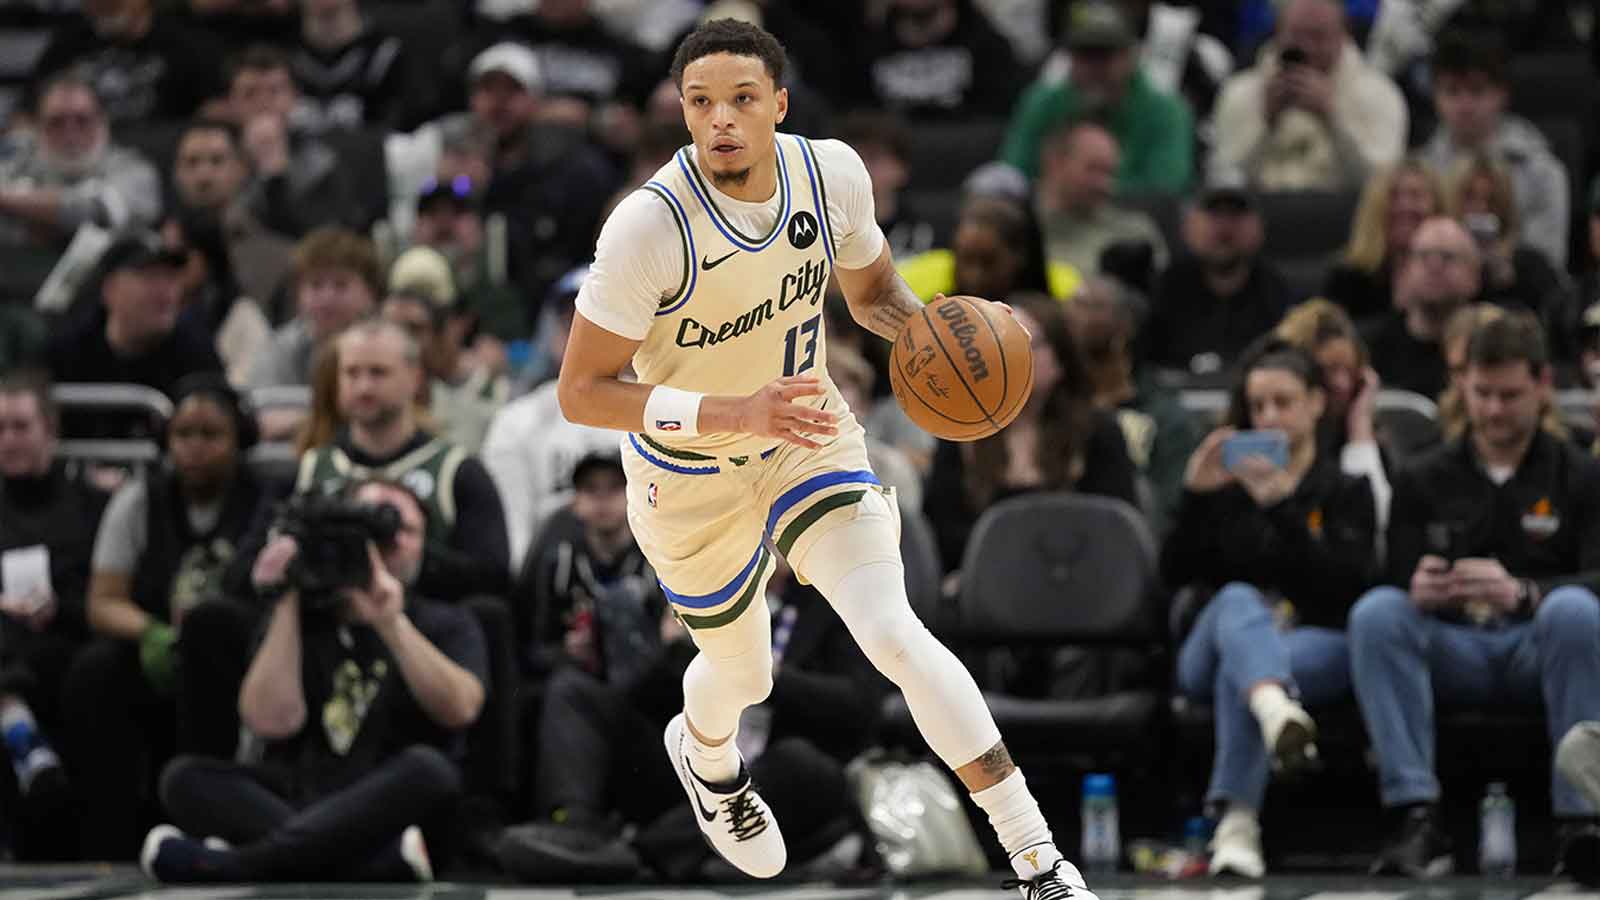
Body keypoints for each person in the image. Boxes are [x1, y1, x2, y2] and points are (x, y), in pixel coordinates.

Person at [554, 18, 1102, 898]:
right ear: (683, 114)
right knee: (743, 672)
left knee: (893, 631)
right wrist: (732, 409)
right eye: (701, 103)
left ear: (778, 101)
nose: (721, 119)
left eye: (740, 99)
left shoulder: (831, 174)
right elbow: (581, 391)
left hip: (807, 437)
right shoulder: (646, 229)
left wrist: (943, 332)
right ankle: (707, 758)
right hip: (686, 475)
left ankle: (1040, 862)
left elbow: (876, 296)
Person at [1348, 313, 1600, 877]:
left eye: (1510, 395)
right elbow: (1388, 574)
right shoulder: (1423, 475)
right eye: (1482, 393)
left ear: (1542, 386)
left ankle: (1583, 822)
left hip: (1538, 647)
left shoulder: (1580, 474)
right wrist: (1418, 585)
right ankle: (1414, 815)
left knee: (1575, 611)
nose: (1493, 410)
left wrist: (1525, 592)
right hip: (1454, 645)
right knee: (1378, 614)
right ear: (1462, 386)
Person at [143, 477, 486, 883]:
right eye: (369, 532)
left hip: (389, 797)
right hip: (304, 790)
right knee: (183, 777)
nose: (387, 543)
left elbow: (461, 708)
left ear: (425, 545)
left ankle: (236, 866)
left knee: (432, 770)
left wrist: (390, 622)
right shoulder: (303, 620)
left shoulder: (446, 620)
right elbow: (270, 721)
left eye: (404, 531)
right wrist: (289, 594)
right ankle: (371, 866)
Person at [1165, 341, 1379, 877]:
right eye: (1258, 406)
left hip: (1311, 642)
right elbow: (1172, 575)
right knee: (1236, 599)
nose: (1269, 418)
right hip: (1211, 645)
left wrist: (1284, 508)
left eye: (1283, 402)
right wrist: (1195, 494)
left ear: (1316, 403)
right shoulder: (1226, 487)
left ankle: (1237, 825)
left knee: (1250, 671)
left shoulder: (1345, 489)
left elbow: (1344, 590)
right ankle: (1273, 708)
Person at [64, 375, 266, 859]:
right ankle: (106, 840)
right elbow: (103, 601)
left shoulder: (264, 499)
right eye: (183, 435)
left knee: (209, 629)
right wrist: (150, 630)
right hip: (163, 650)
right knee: (94, 671)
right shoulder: (139, 499)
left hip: (240, 656)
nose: (195, 448)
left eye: (211, 435)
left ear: (239, 440)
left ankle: (210, 815)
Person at [281, 318, 511, 600]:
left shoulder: (458, 472)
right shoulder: (311, 468)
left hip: (429, 627)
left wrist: (415, 558)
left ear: (415, 378)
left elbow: (495, 580)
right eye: (352, 373)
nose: (363, 387)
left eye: (378, 373)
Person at [926, 291, 1140, 570]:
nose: (1009, 355)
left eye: (1026, 343)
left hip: (1081, 582)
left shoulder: (1099, 432)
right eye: (999, 344)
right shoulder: (961, 431)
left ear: (1060, 359)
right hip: (986, 587)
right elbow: (939, 535)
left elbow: (1119, 532)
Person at [0, 372, 108, 857]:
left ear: (50, 431)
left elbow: (105, 589)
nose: (8, 440)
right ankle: (21, 735)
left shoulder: (90, 503)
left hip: (63, 639)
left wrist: (57, 608)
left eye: (20, 427)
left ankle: (18, 726)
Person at [483, 267, 624, 574]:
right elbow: (515, 539)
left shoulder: (665, 413)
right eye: (570, 324)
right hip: (550, 583)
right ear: (555, 336)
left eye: (602, 323)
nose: (586, 336)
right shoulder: (515, 423)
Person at [1209, 0, 1406, 191]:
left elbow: (1382, 186)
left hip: (1345, 218)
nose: (1306, 47)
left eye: (1318, 37)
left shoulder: (1380, 95)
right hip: (1261, 215)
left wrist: (1333, 119)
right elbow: (1225, 180)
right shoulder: (1239, 92)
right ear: (1277, 33)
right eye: (1296, 36)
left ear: (1344, 35)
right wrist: (1266, 122)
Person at [999, 1, 1193, 193]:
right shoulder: (1043, 103)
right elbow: (1011, 175)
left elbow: (1165, 190)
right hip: (1048, 217)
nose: (1094, 67)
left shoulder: (1165, 112)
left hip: (1132, 219)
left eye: (1104, 55)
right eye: (1085, 54)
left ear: (1130, 55)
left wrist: (1086, 189)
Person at [45, 232, 225, 438]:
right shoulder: (67, 351)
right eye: (150, 277)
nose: (165, 292)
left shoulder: (196, 350)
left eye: (171, 277)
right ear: (110, 289)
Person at [1419, 29, 1569, 270]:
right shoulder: (1421, 172)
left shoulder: (1542, 172)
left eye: (1477, 91)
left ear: (1502, 94)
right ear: (1436, 97)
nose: (1465, 105)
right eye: (1452, 91)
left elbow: (1545, 262)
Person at [1067, 275, 1198, 537]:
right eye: (1073, 305)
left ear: (1125, 325)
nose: (1078, 316)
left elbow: (1173, 507)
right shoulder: (1055, 411)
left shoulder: (1166, 417)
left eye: (1093, 306)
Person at [1144, 172, 1294, 377]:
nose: (1225, 227)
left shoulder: (1277, 293)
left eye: (1236, 214)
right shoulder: (1163, 290)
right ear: (1188, 225)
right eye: (1214, 214)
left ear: (1259, 227)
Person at [0, 75, 162, 253]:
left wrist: (10, 201)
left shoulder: (134, 169)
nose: (70, 134)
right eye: (57, 122)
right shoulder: (17, 164)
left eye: (82, 120)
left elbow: (96, 212)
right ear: (38, 127)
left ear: (102, 122)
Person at [1445, 155, 1576, 358]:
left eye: (1491, 200)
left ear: (1504, 206)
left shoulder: (1530, 265)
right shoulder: (1435, 261)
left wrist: (1511, 283)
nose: (1481, 209)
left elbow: (1557, 325)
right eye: (1470, 197)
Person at [1359, 216, 1480, 400]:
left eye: (1447, 257)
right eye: (1424, 256)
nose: (1434, 266)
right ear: (1405, 271)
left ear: (1474, 274)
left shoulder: (1487, 345)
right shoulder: (1369, 347)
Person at [1322, 159, 1448, 323]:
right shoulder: (1346, 278)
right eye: (1393, 196)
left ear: (1436, 206)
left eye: (1416, 195)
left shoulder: (1457, 271)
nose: (1405, 205)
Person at [1036, 121, 1167, 276]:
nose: (1104, 184)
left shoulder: (1134, 234)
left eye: (1110, 173)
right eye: (1093, 169)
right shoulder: (1018, 224)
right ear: (1055, 164)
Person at [898, 195, 1082, 304]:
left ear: (1020, 257)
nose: (974, 276)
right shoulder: (930, 315)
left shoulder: (1049, 321)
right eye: (965, 260)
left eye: (988, 261)